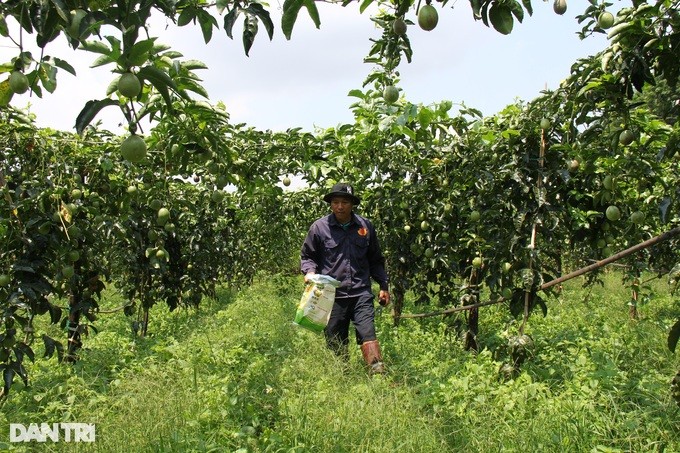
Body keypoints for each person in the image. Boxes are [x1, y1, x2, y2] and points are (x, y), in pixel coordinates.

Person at [300, 182, 390, 374]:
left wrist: (383, 285)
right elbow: (308, 256)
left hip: (360, 293)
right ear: (331, 204)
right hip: (331, 295)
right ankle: (342, 375)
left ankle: (377, 372)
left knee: (368, 332)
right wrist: (309, 272)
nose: (340, 207)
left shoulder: (365, 227)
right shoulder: (319, 228)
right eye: (335, 202)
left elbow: (375, 259)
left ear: (352, 205)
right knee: (335, 340)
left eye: (344, 203)